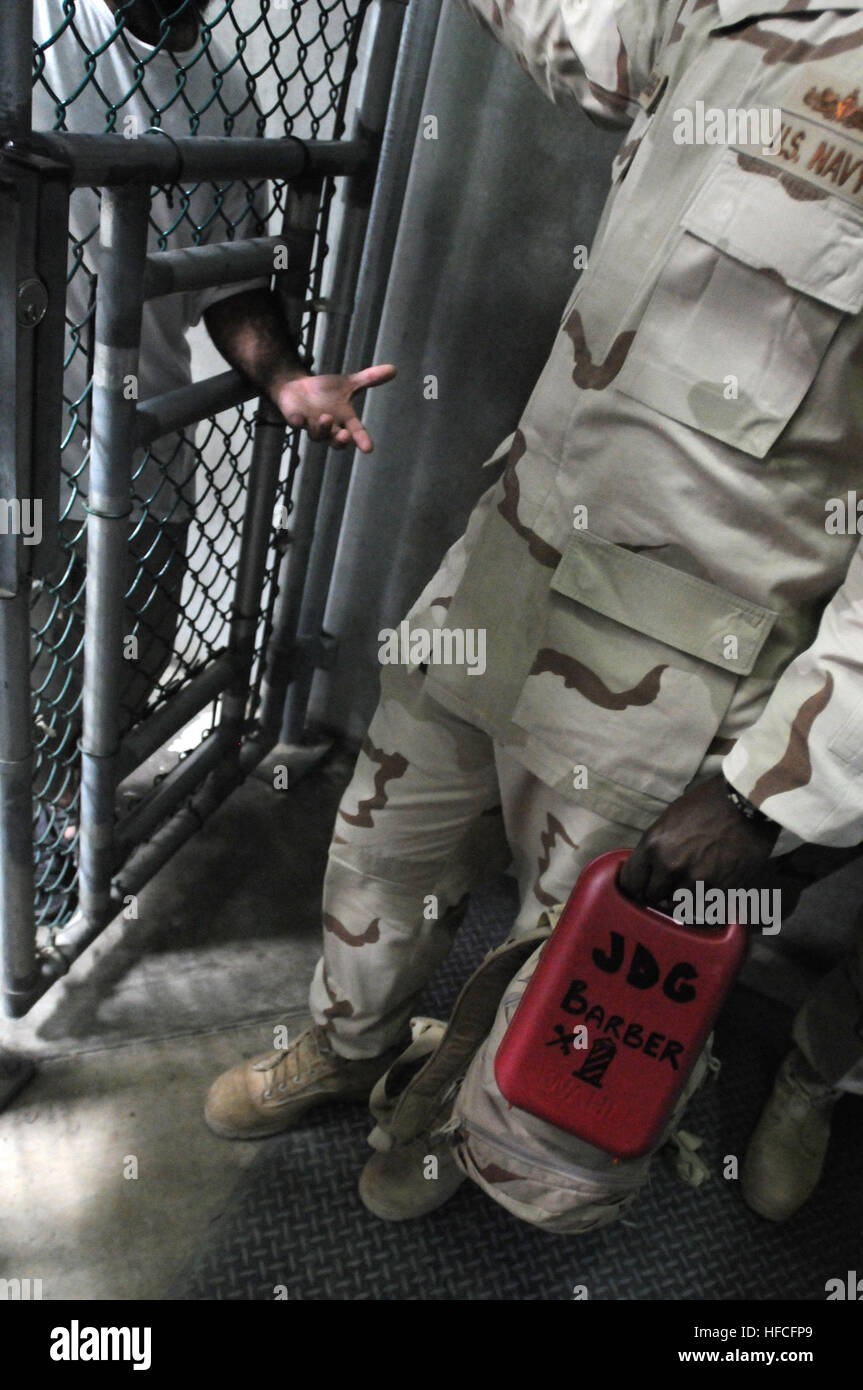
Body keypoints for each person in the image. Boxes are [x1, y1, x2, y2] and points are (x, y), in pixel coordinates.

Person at [207, 0, 863, 1230]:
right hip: (509, 566)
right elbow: (574, 25)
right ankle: (345, 1047)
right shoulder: (735, 15)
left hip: (672, 672)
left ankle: (471, 1135)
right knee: (382, 843)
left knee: (572, 984)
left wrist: (769, 793)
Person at [30, 0, 394, 910]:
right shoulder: (33, 28)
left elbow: (230, 283)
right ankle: (25, 879)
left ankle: (62, 832)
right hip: (15, 435)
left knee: (123, 666)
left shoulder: (225, 86)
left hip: (130, 443)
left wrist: (289, 379)